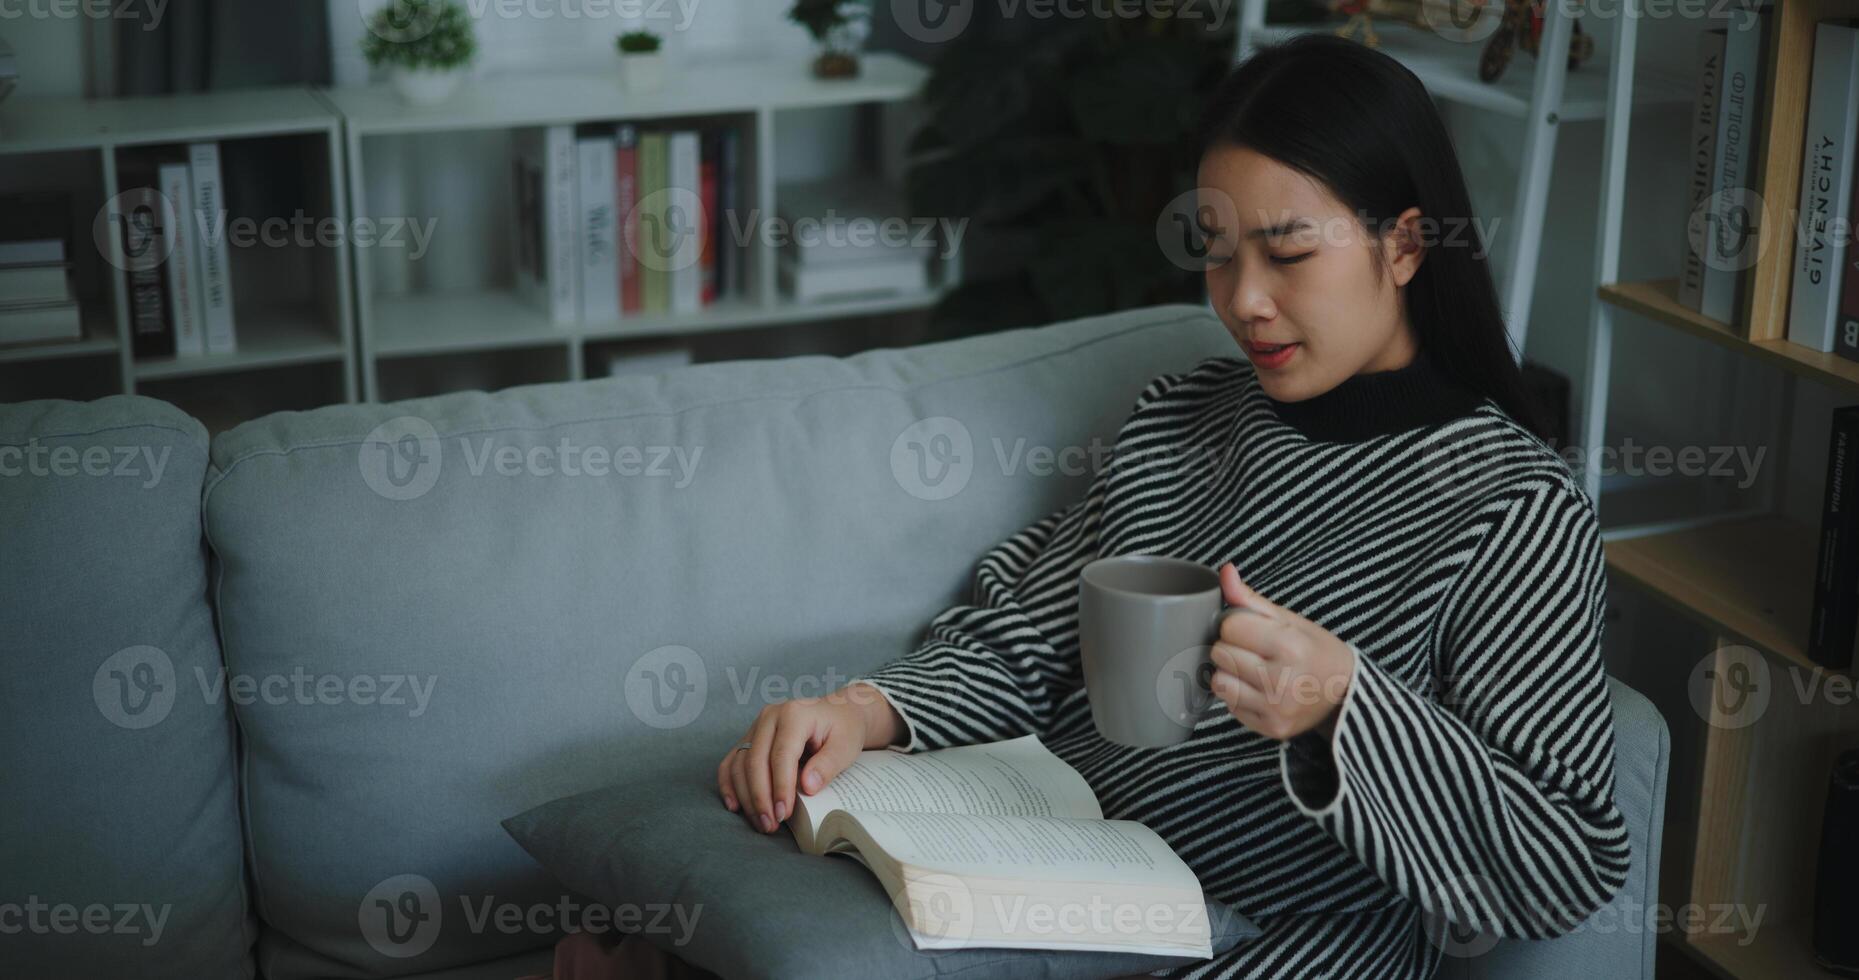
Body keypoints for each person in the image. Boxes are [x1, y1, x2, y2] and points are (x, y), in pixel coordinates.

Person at [706, 32, 1630, 979]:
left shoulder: (1513, 509)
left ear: (1401, 245)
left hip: (1284, 939)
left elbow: (1563, 861)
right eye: (1220, 255)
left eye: (1286, 254)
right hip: (1046, 873)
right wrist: (864, 711)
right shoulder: (1179, 417)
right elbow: (1023, 634)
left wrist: (1339, 708)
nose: (1244, 302)